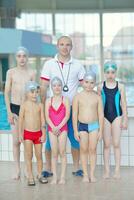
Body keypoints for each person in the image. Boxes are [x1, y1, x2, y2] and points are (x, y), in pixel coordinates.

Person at [40, 36, 85, 177]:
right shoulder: (49, 64)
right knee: (49, 142)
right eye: (61, 44)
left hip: (72, 109)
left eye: (67, 45)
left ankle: (77, 168)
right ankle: (48, 168)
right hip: (53, 110)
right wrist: (42, 109)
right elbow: (43, 87)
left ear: (71, 47)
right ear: (57, 46)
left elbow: (86, 86)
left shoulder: (78, 65)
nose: (64, 47)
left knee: (75, 139)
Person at [4, 47, 36, 179]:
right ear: (16, 58)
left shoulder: (32, 72)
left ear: (27, 57)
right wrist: (9, 112)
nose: (22, 58)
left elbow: (34, 93)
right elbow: (6, 92)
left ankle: (28, 169)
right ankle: (17, 169)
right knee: (16, 141)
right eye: (19, 56)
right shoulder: (11, 72)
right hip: (15, 108)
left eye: (24, 56)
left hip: (27, 108)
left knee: (28, 141)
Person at [98, 61, 128, 179]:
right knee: (106, 145)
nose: (110, 74)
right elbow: (98, 104)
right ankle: (106, 171)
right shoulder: (100, 86)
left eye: (112, 72)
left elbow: (124, 104)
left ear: (115, 73)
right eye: (108, 72)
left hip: (117, 116)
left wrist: (125, 119)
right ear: (104, 73)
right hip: (105, 118)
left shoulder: (121, 86)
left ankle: (117, 170)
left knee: (116, 144)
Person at [73, 72, 104, 182]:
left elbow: (101, 115)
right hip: (82, 126)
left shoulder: (97, 98)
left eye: (91, 83)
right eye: (86, 82)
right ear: (82, 82)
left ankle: (92, 174)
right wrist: (75, 130)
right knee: (83, 149)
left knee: (93, 149)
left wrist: (101, 130)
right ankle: (85, 174)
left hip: (94, 126)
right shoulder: (77, 97)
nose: (89, 85)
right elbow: (74, 115)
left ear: (95, 83)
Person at [19, 81, 48, 186]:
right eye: (32, 92)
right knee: (29, 155)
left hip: (38, 134)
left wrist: (44, 133)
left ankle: (39, 174)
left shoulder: (40, 105)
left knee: (39, 155)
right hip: (27, 134)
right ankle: (30, 176)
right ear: (27, 93)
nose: (34, 94)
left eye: (36, 92)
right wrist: (20, 134)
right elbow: (21, 120)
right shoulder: (24, 106)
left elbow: (43, 120)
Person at [45, 77, 70, 184]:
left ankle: (63, 177)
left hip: (62, 128)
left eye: (59, 85)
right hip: (52, 129)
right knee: (54, 153)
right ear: (51, 87)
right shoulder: (48, 101)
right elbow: (47, 117)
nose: (57, 87)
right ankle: (55, 177)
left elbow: (67, 116)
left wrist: (59, 127)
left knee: (62, 152)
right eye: (54, 85)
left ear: (61, 86)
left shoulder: (65, 100)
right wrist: (53, 127)